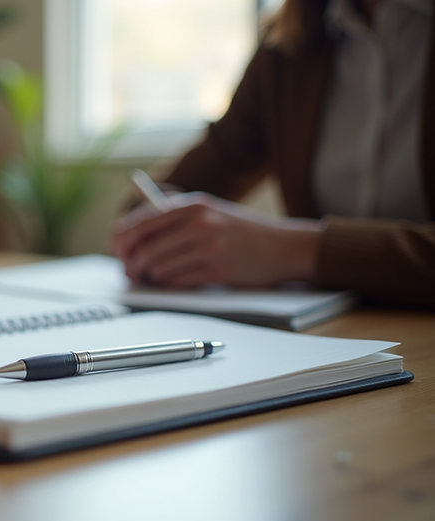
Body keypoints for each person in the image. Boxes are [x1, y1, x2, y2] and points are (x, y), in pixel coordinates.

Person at [112, 0, 434, 308]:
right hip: (330, 337)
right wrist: (156, 229)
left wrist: (288, 249)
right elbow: (165, 192)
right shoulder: (289, 45)